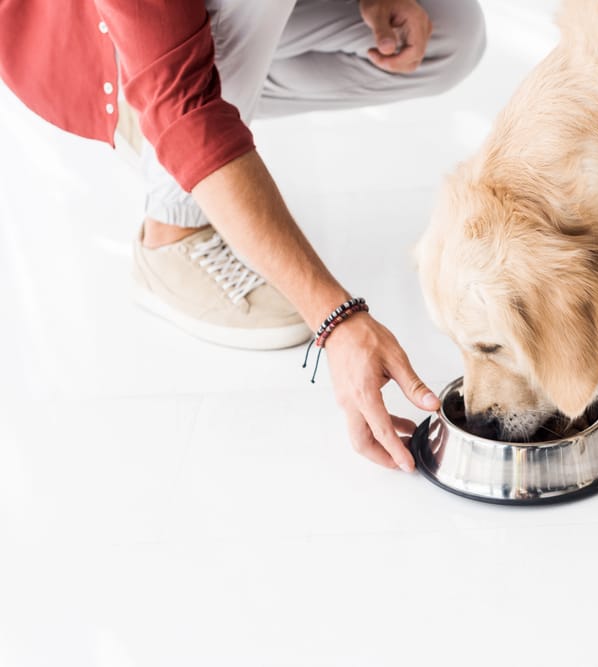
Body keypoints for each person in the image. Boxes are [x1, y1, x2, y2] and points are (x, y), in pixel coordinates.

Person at [0, 0, 486, 471]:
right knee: (198, 83)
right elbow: (184, 108)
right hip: (93, 44)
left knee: (450, 34)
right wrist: (335, 318)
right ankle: (172, 225)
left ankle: (217, 95)